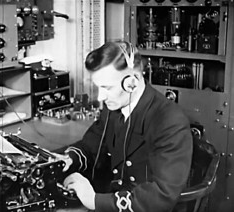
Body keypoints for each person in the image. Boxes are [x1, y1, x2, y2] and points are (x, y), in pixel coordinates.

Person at [55, 41, 193, 212]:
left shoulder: (169, 120)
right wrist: (68, 159)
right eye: (98, 87)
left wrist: (94, 201)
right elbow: (92, 145)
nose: (100, 97)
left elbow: (162, 196)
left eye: (107, 87)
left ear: (132, 82)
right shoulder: (114, 106)